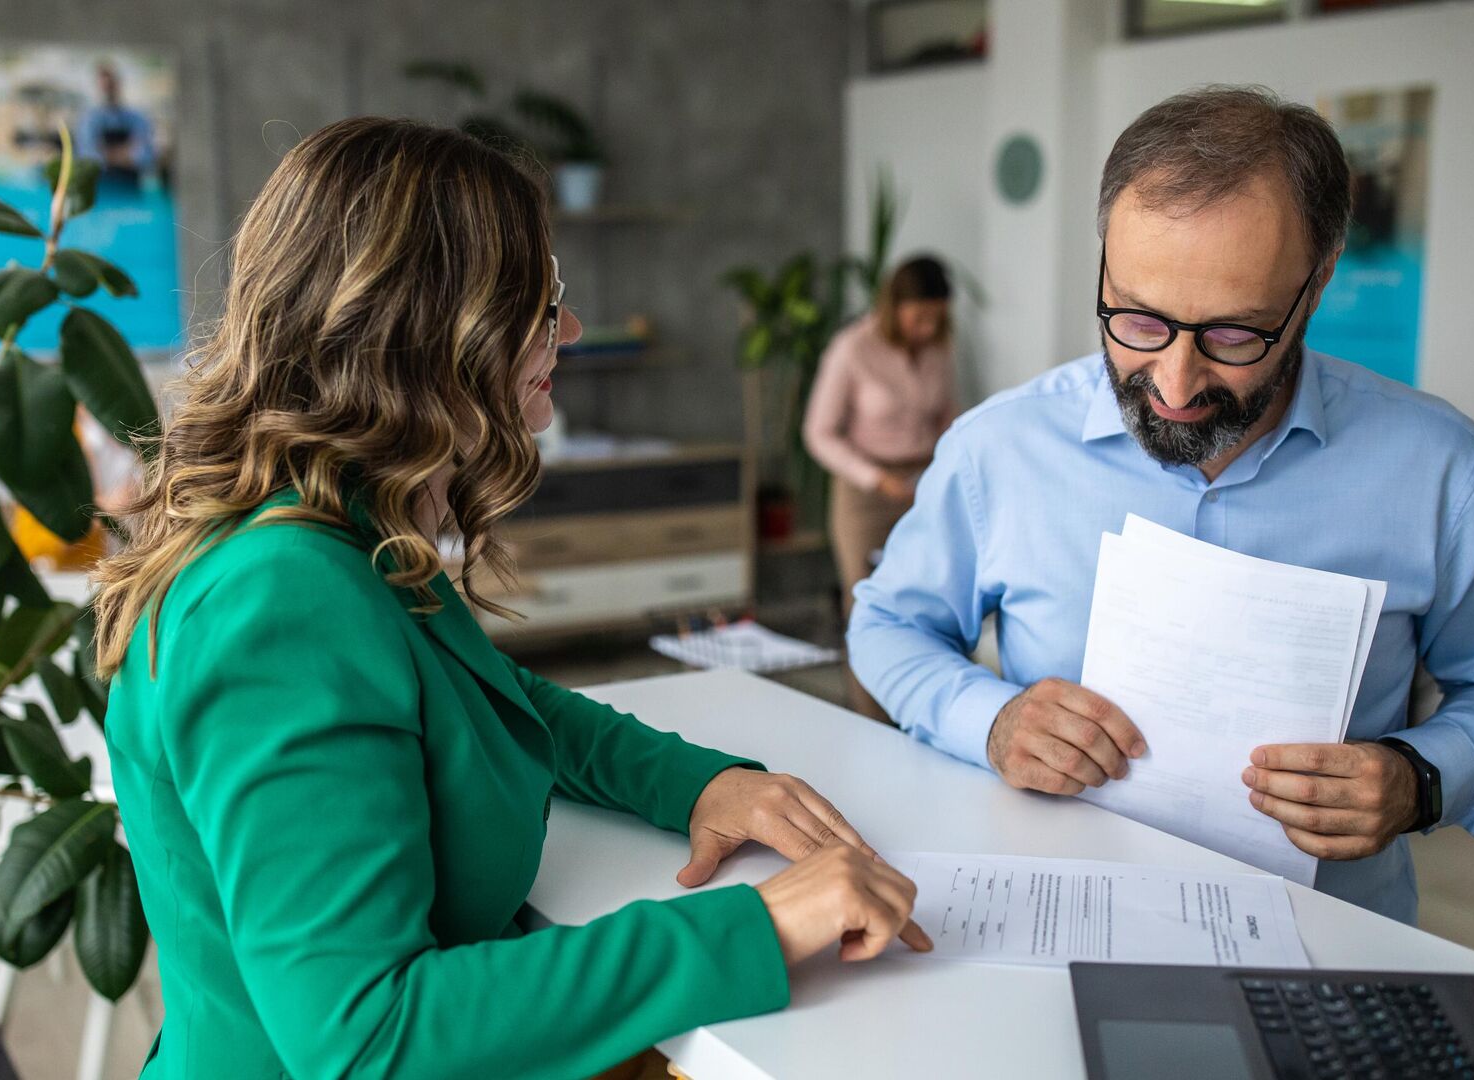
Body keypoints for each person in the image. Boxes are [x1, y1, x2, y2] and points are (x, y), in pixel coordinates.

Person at [92, 118, 930, 1080]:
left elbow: (490, 699)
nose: (567, 332)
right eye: (542, 305)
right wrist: (760, 926)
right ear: (427, 330)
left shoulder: (333, 523)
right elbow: (369, 1037)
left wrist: (697, 782)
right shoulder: (280, 602)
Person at [847, 86, 1474, 925]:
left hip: (1327, 943)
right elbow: (886, 625)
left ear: (1318, 283)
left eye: (1233, 334)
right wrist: (993, 720)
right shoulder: (999, 449)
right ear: (1104, 267)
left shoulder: (1441, 468)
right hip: (1047, 923)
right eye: (1138, 320)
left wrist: (1421, 777)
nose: (1176, 384)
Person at [804, 254, 959, 721]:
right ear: (895, 307)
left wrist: (948, 465)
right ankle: (871, 718)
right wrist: (877, 479)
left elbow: (948, 414)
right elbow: (818, 433)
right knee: (868, 604)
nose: (928, 328)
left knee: (929, 597)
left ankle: (922, 714)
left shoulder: (939, 350)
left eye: (937, 317)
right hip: (865, 494)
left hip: (923, 486)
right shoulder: (852, 349)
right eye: (919, 317)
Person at [76, 60, 156, 188]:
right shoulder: (89, 119)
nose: (108, 90)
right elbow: (87, 157)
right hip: (102, 189)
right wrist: (125, 153)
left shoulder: (137, 118)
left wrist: (106, 154)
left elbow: (146, 156)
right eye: (104, 86)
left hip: (130, 189)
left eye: (111, 85)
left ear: (119, 84)